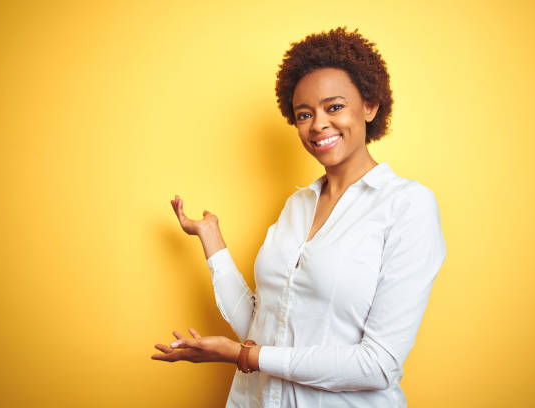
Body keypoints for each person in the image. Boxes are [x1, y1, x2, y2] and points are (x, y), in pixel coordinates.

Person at [151, 26, 447, 408]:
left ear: (370, 106)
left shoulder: (408, 205)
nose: (318, 124)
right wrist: (211, 239)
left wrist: (242, 355)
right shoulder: (298, 205)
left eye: (334, 107)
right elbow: (261, 327)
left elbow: (378, 364)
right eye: (304, 114)